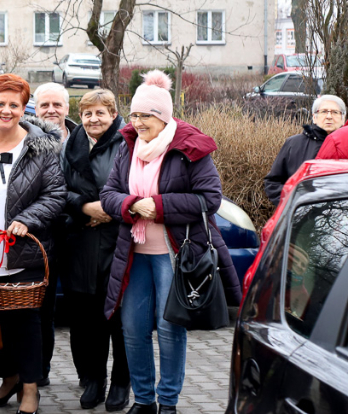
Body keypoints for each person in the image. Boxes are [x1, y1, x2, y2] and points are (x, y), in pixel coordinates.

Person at [100, 71, 243, 414]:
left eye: (144, 116)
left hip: (174, 255)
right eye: (133, 115)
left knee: (168, 328)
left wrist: (160, 206)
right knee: (132, 329)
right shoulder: (128, 146)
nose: (136, 123)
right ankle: (144, 400)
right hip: (134, 254)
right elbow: (108, 194)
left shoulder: (190, 148)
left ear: (163, 117)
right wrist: (130, 204)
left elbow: (209, 199)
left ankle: (168, 401)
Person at [0, 73, 65, 414]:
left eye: (13, 105)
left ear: (24, 108)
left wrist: (28, 219)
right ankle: (8, 377)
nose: (6, 111)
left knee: (25, 325)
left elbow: (56, 193)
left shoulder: (39, 146)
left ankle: (30, 389)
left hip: (21, 252)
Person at [58, 89, 130, 411]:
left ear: (113, 114)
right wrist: (85, 207)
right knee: (88, 319)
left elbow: (136, 188)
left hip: (118, 241)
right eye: (87, 113)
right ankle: (95, 380)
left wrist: (108, 208)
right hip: (81, 239)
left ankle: (121, 382)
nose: (93, 119)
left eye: (100, 112)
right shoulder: (69, 145)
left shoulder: (128, 143)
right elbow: (58, 189)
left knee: (119, 318)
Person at [32, 81, 76, 387]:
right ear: (35, 109)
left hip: (79, 234)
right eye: (44, 105)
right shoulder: (27, 139)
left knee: (82, 310)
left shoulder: (85, 139)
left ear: (67, 108)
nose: (51, 110)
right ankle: (40, 370)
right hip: (40, 236)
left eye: (57, 104)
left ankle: (89, 375)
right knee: (41, 308)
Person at [263, 94, 346, 205]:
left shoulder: (345, 144)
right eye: (324, 112)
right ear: (314, 117)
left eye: (335, 112)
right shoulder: (294, 144)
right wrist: (292, 205)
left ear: (343, 118)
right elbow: (273, 182)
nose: (329, 116)